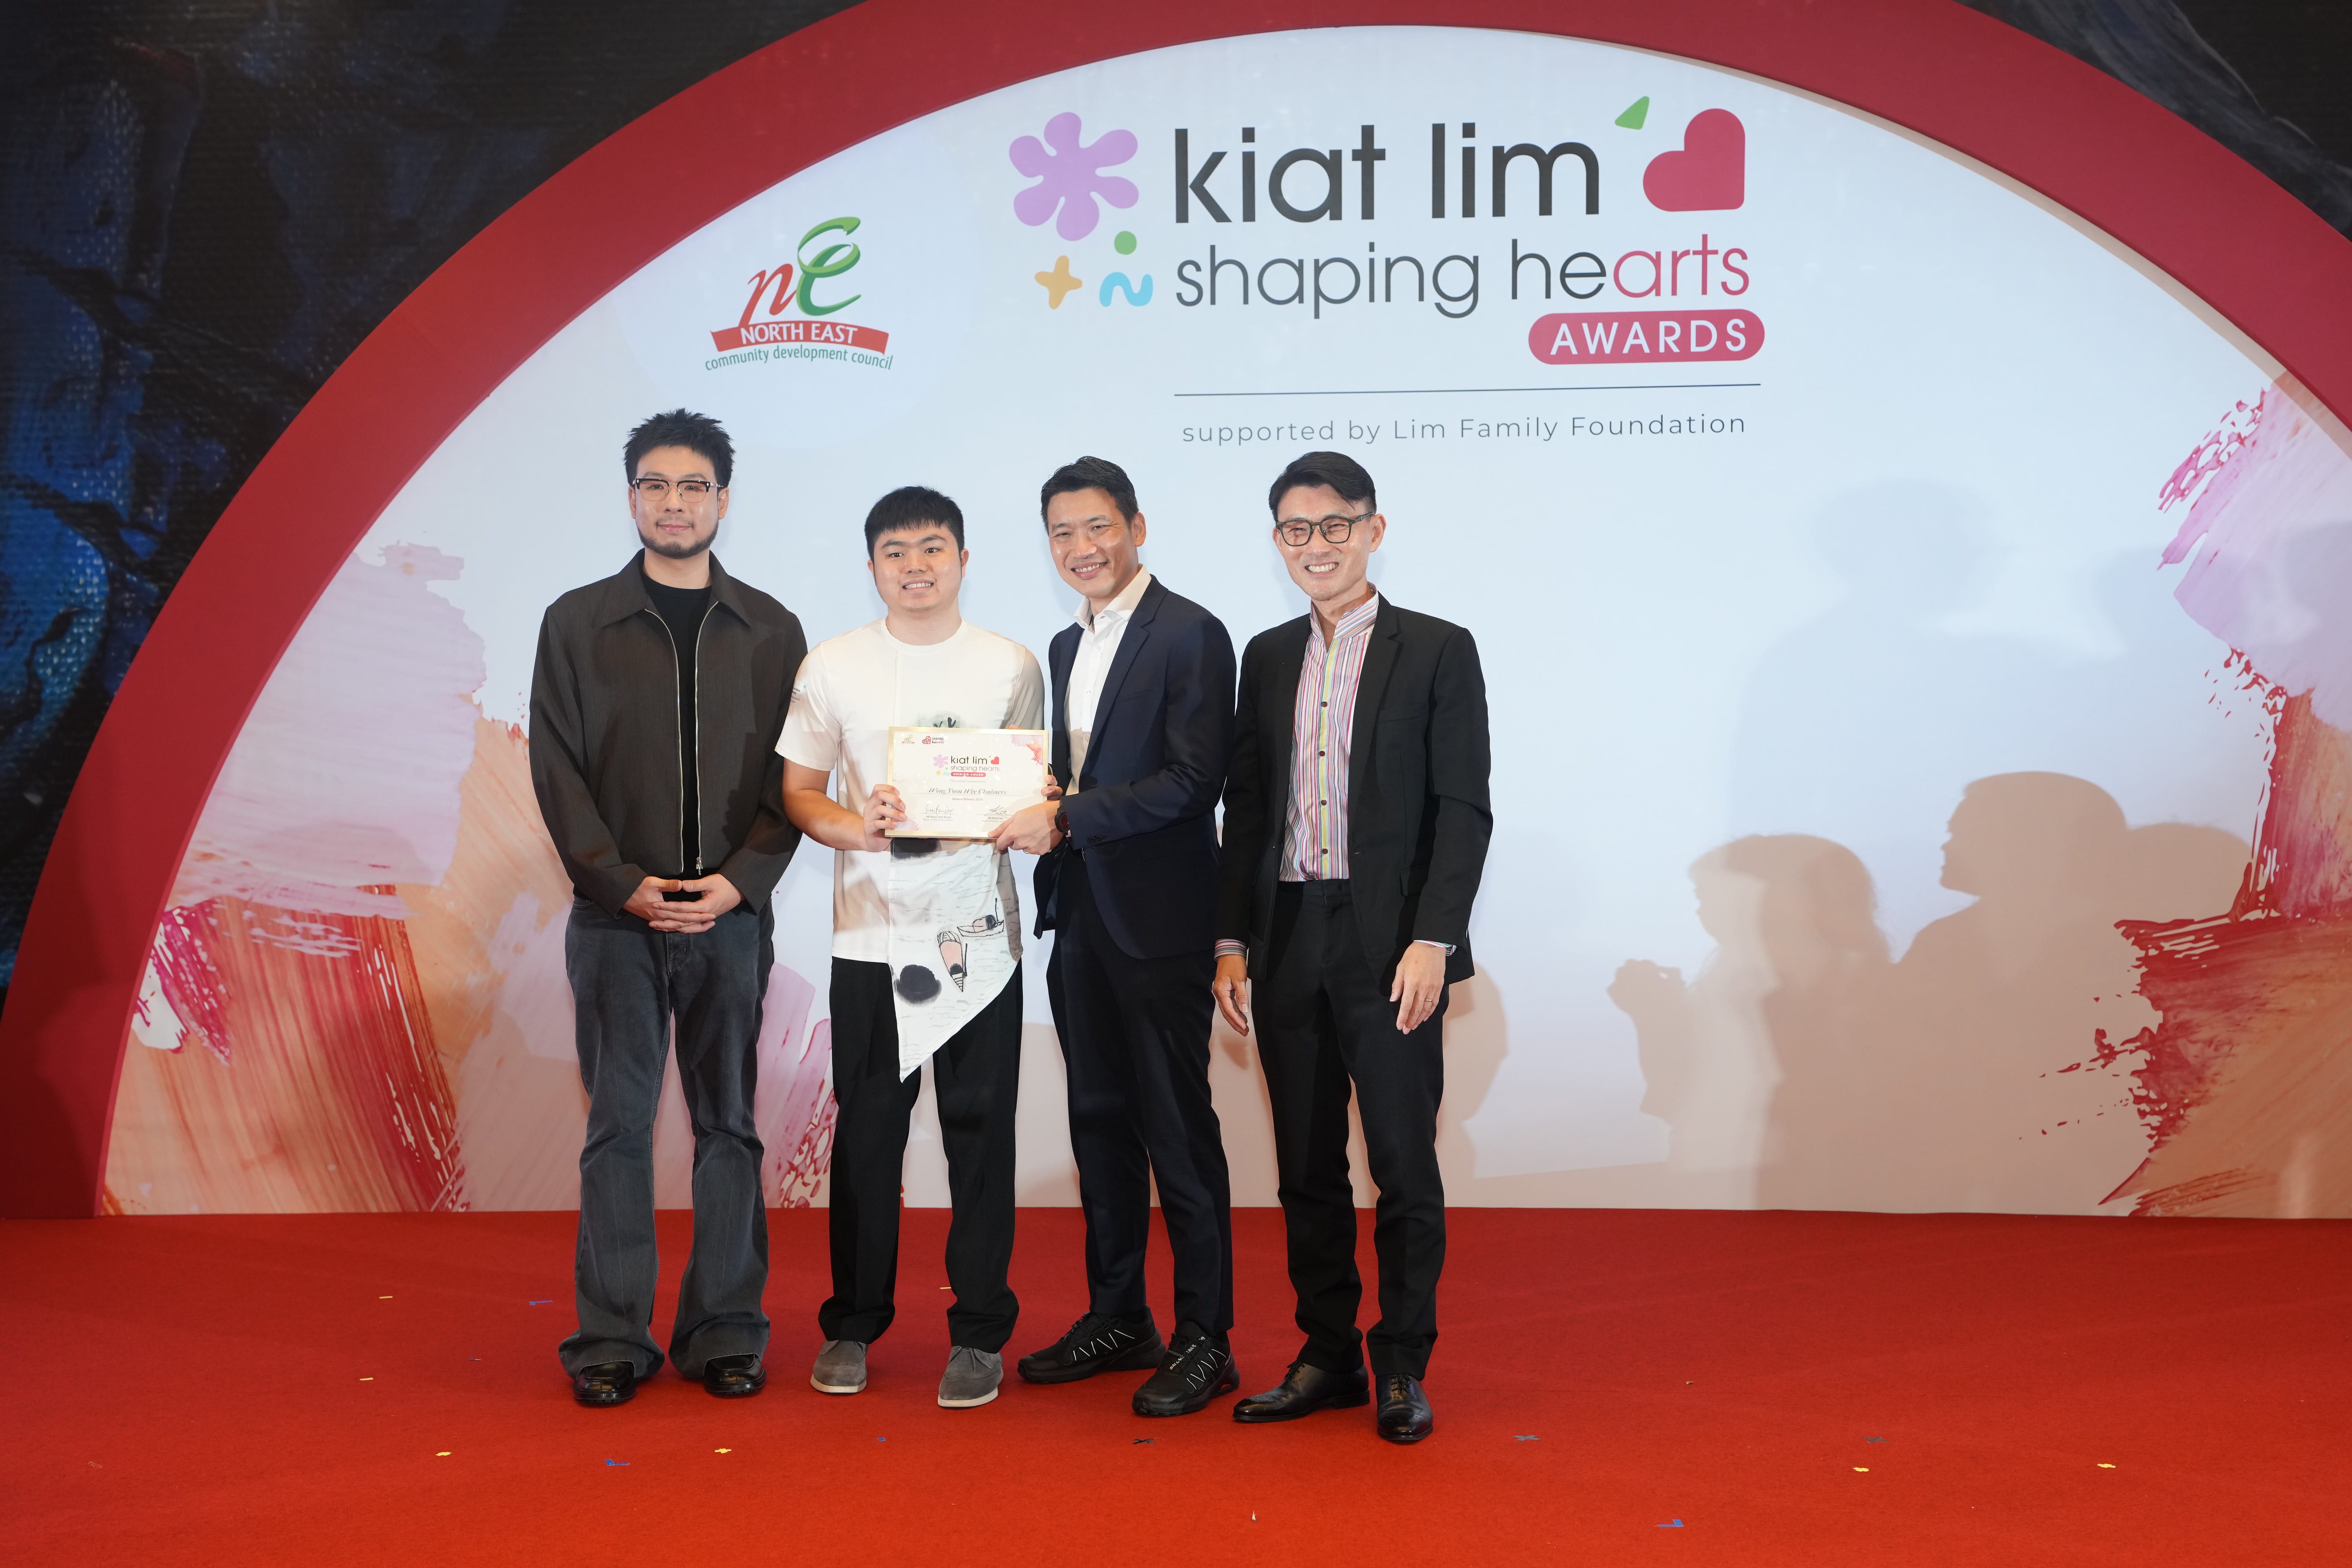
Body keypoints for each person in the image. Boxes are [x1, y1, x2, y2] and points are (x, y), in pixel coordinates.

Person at [1212, 450, 1491, 1445]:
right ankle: (1326, 1352)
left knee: (1405, 1164)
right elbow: (1247, 810)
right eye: (1297, 529)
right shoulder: (1269, 654)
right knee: (1305, 1166)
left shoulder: (1438, 649)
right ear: (1278, 541)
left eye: (1336, 526)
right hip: (1288, 933)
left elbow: (1463, 810)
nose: (1317, 546)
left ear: (1375, 529)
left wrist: (1434, 938)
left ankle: (1403, 1361)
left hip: (1391, 946)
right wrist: (1233, 941)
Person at [529, 408, 805, 1407]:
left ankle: (727, 1330)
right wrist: (621, 883)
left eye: (694, 487)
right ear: (631, 496)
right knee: (619, 1128)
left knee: (730, 1126)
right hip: (616, 921)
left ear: (724, 500)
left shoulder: (772, 629)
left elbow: (797, 776)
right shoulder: (576, 622)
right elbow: (555, 771)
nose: (675, 503)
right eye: (656, 485)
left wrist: (742, 880)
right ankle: (609, 1337)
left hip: (732, 917)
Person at [780, 485, 1044, 1410]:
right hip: (869, 937)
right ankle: (852, 1323)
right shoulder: (833, 667)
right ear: (872, 566)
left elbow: (1032, 784)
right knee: (866, 1141)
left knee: (981, 1141)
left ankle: (979, 1332)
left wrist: (1031, 807)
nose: (917, 566)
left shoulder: (1009, 663)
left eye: (934, 547)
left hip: (978, 935)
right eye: (897, 551)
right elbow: (801, 793)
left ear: (964, 559)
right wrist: (858, 827)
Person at [989, 457, 1240, 1416]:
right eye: (1061, 534)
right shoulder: (1064, 644)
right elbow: (1067, 777)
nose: (1081, 549)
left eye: (1097, 528)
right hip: (1081, 913)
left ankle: (1207, 1337)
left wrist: (1071, 817)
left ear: (1137, 525)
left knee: (1176, 1132)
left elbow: (1193, 781)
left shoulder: (1192, 634)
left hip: (1164, 922)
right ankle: (1119, 1313)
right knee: (1097, 1122)